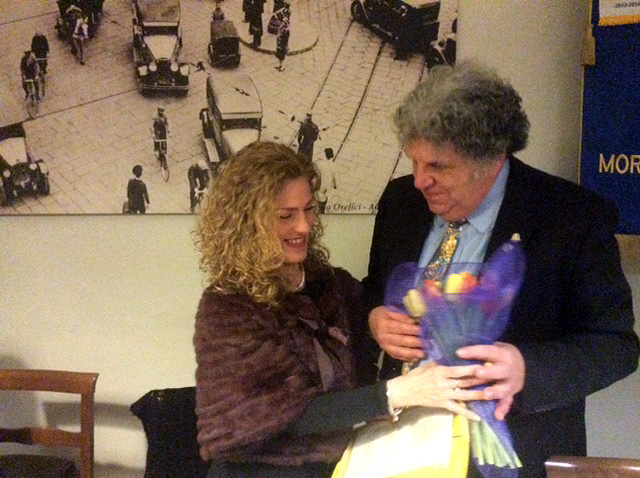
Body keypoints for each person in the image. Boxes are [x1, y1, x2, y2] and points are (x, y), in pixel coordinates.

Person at [362, 60, 640, 478]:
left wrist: (527, 368)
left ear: (492, 157)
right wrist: (374, 318)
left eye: (438, 166)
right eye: (413, 162)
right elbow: (372, 288)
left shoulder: (572, 217)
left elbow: (616, 346)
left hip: (511, 454)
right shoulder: (401, 202)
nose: (419, 181)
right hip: (399, 449)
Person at [193, 141, 487, 478]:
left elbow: (365, 317)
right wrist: (397, 393)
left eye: (309, 209)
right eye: (286, 216)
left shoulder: (326, 282)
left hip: (339, 462)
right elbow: (279, 415)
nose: (304, 226)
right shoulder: (227, 309)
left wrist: (375, 318)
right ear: (246, 223)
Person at [314, 147, 337, 214]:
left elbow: (317, 173)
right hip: (328, 184)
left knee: (319, 196)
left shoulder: (320, 164)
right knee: (325, 196)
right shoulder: (333, 165)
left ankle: (319, 208)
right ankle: (322, 209)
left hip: (321, 183)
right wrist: (335, 184)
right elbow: (334, 176)